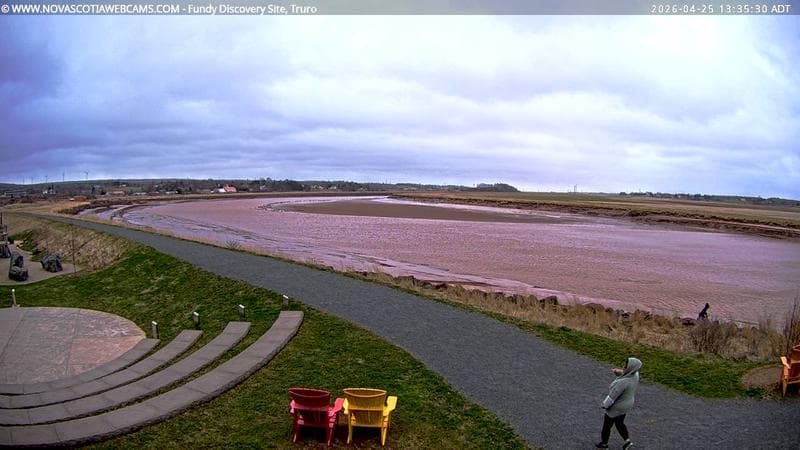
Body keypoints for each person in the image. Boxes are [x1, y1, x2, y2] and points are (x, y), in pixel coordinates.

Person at [596, 357, 642, 450]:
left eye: (626, 366)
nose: (624, 367)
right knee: (619, 423)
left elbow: (612, 397)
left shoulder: (622, 383)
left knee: (607, 425)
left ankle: (604, 445)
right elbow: (627, 373)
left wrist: (604, 405)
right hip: (627, 405)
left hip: (617, 407)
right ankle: (627, 441)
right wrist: (619, 372)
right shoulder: (635, 375)